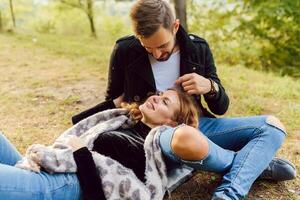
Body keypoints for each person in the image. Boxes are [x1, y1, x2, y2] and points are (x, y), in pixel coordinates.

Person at [71, 0, 296, 199]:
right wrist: (82, 125)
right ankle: (247, 169)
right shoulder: (125, 50)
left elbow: (221, 107)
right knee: (184, 138)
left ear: (175, 26)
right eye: (148, 47)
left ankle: (232, 186)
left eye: (162, 46)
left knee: (271, 127)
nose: (157, 54)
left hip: (198, 124)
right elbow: (114, 100)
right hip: (157, 133)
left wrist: (210, 86)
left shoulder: (197, 48)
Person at [0, 88, 201, 200]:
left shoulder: (148, 152)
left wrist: (81, 153)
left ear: (172, 123)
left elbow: (99, 193)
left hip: (61, 186)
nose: (156, 98)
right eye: (160, 94)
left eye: (165, 102)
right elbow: (79, 121)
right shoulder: (123, 120)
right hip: (51, 166)